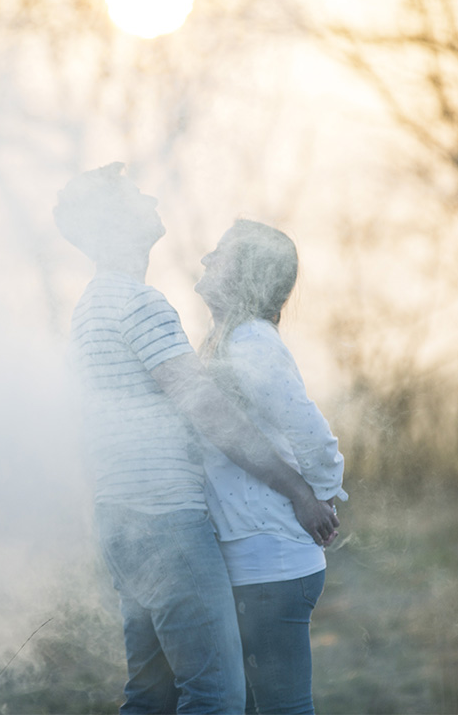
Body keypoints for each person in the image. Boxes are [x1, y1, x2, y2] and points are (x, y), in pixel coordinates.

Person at [54, 164, 339, 714]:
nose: (150, 197)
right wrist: (301, 492)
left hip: (123, 520)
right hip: (165, 523)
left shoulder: (91, 306)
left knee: (151, 695)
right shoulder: (140, 304)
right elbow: (209, 412)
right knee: (215, 696)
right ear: (115, 222)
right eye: (136, 195)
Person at [195, 220, 348, 715]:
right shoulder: (226, 342)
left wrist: (318, 496)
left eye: (220, 253)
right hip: (254, 559)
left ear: (247, 274)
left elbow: (313, 435)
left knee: (283, 709)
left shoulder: (251, 343)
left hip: (269, 562)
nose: (206, 259)